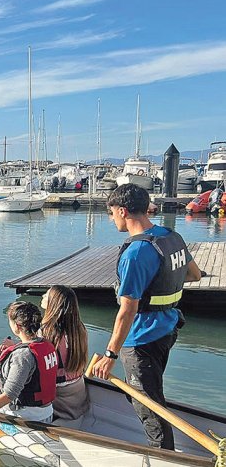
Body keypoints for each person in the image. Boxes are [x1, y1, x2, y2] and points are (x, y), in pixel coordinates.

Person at [92, 183, 201, 450]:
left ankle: (165, 456)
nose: (111, 219)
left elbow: (127, 310)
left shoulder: (137, 253)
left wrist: (110, 355)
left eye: (111, 213)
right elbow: (194, 274)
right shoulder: (170, 237)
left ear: (123, 211)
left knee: (147, 405)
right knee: (150, 393)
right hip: (167, 329)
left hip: (141, 339)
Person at [41, 285, 89, 421]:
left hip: (59, 395)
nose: (43, 296)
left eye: (46, 294)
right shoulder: (80, 329)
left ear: (53, 303)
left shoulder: (46, 333)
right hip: (78, 388)